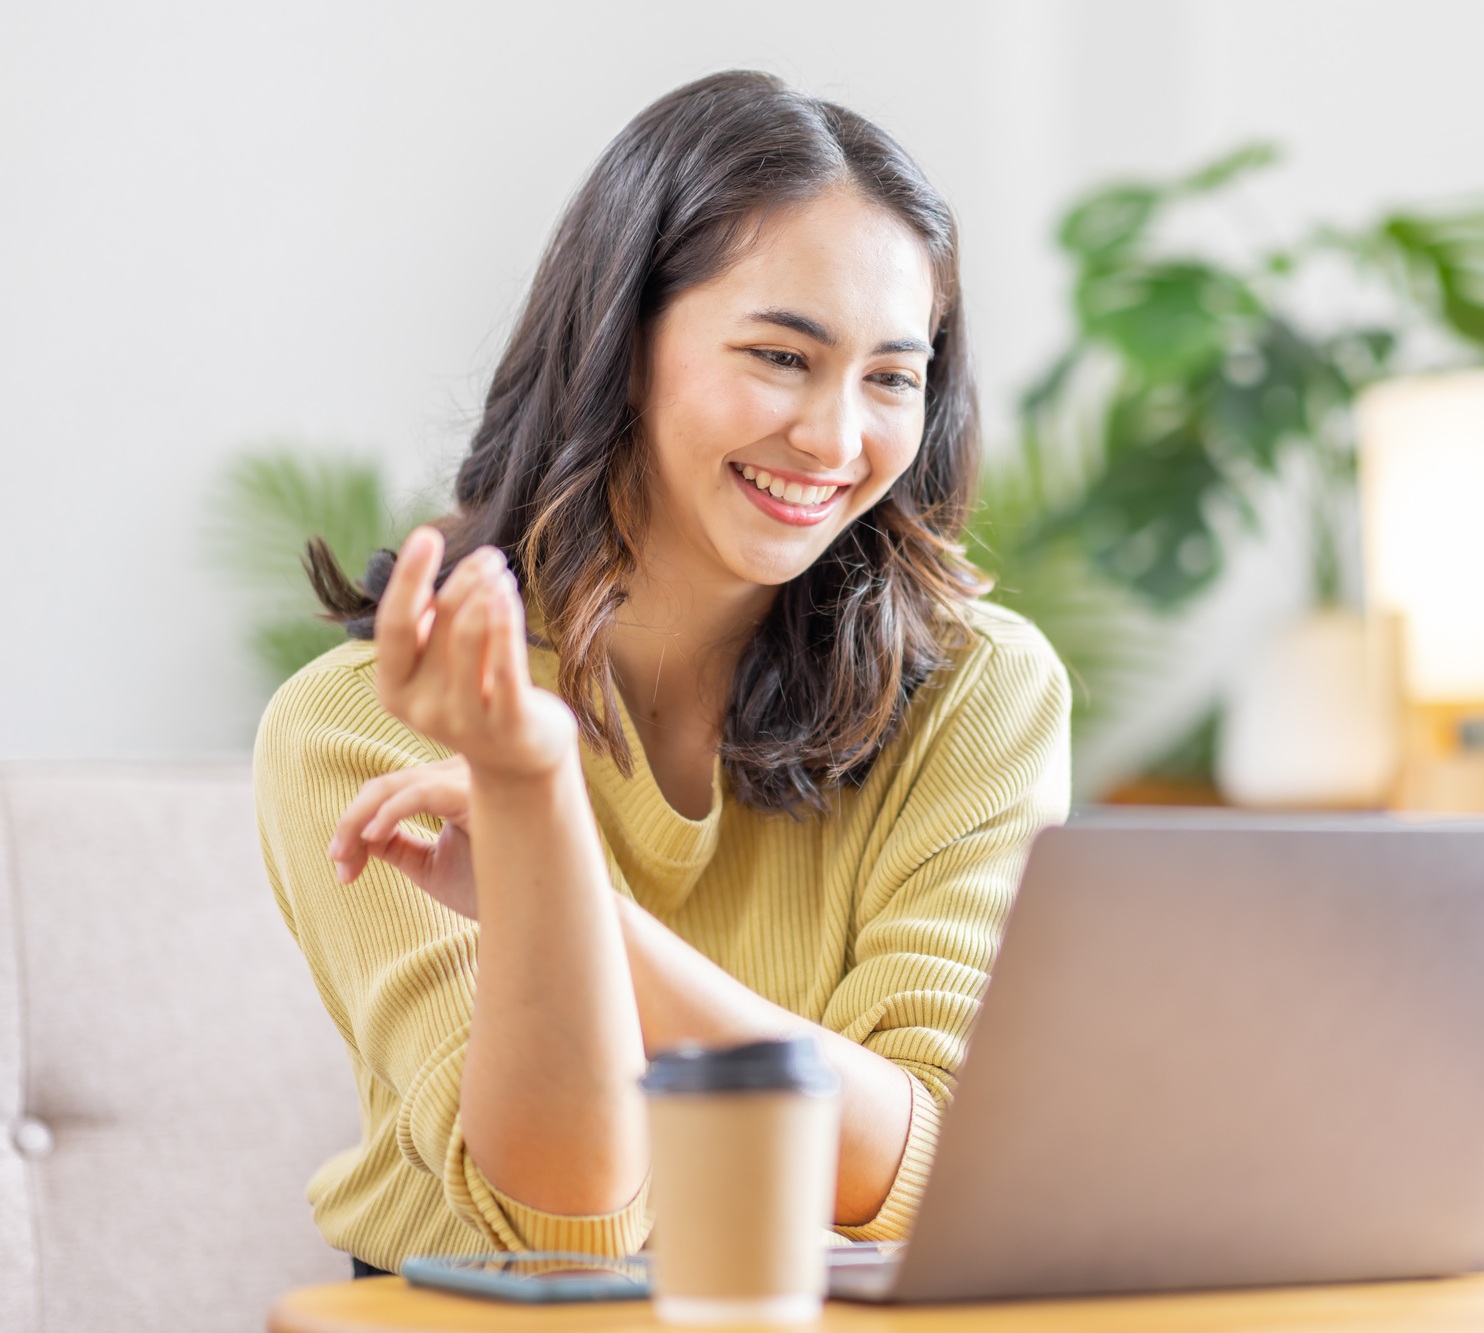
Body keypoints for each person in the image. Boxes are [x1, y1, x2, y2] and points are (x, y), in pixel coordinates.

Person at [253, 70, 1070, 1276]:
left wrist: (562, 889)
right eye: (782, 356)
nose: (837, 440)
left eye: (892, 376)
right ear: (620, 341)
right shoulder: (361, 726)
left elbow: (923, 1172)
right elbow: (569, 1220)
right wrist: (527, 783)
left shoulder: (973, 689)